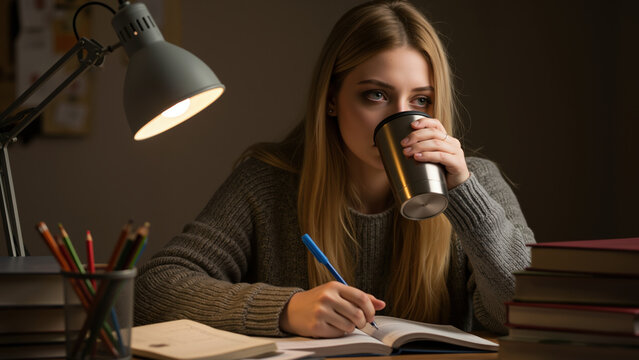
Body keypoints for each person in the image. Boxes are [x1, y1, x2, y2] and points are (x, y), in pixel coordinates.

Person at [134, 0, 535, 338]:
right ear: (331, 100)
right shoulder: (268, 183)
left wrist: (463, 195)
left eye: (421, 100)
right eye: (375, 95)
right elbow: (153, 289)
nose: (400, 120)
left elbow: (524, 311)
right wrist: (285, 309)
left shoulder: (476, 182)